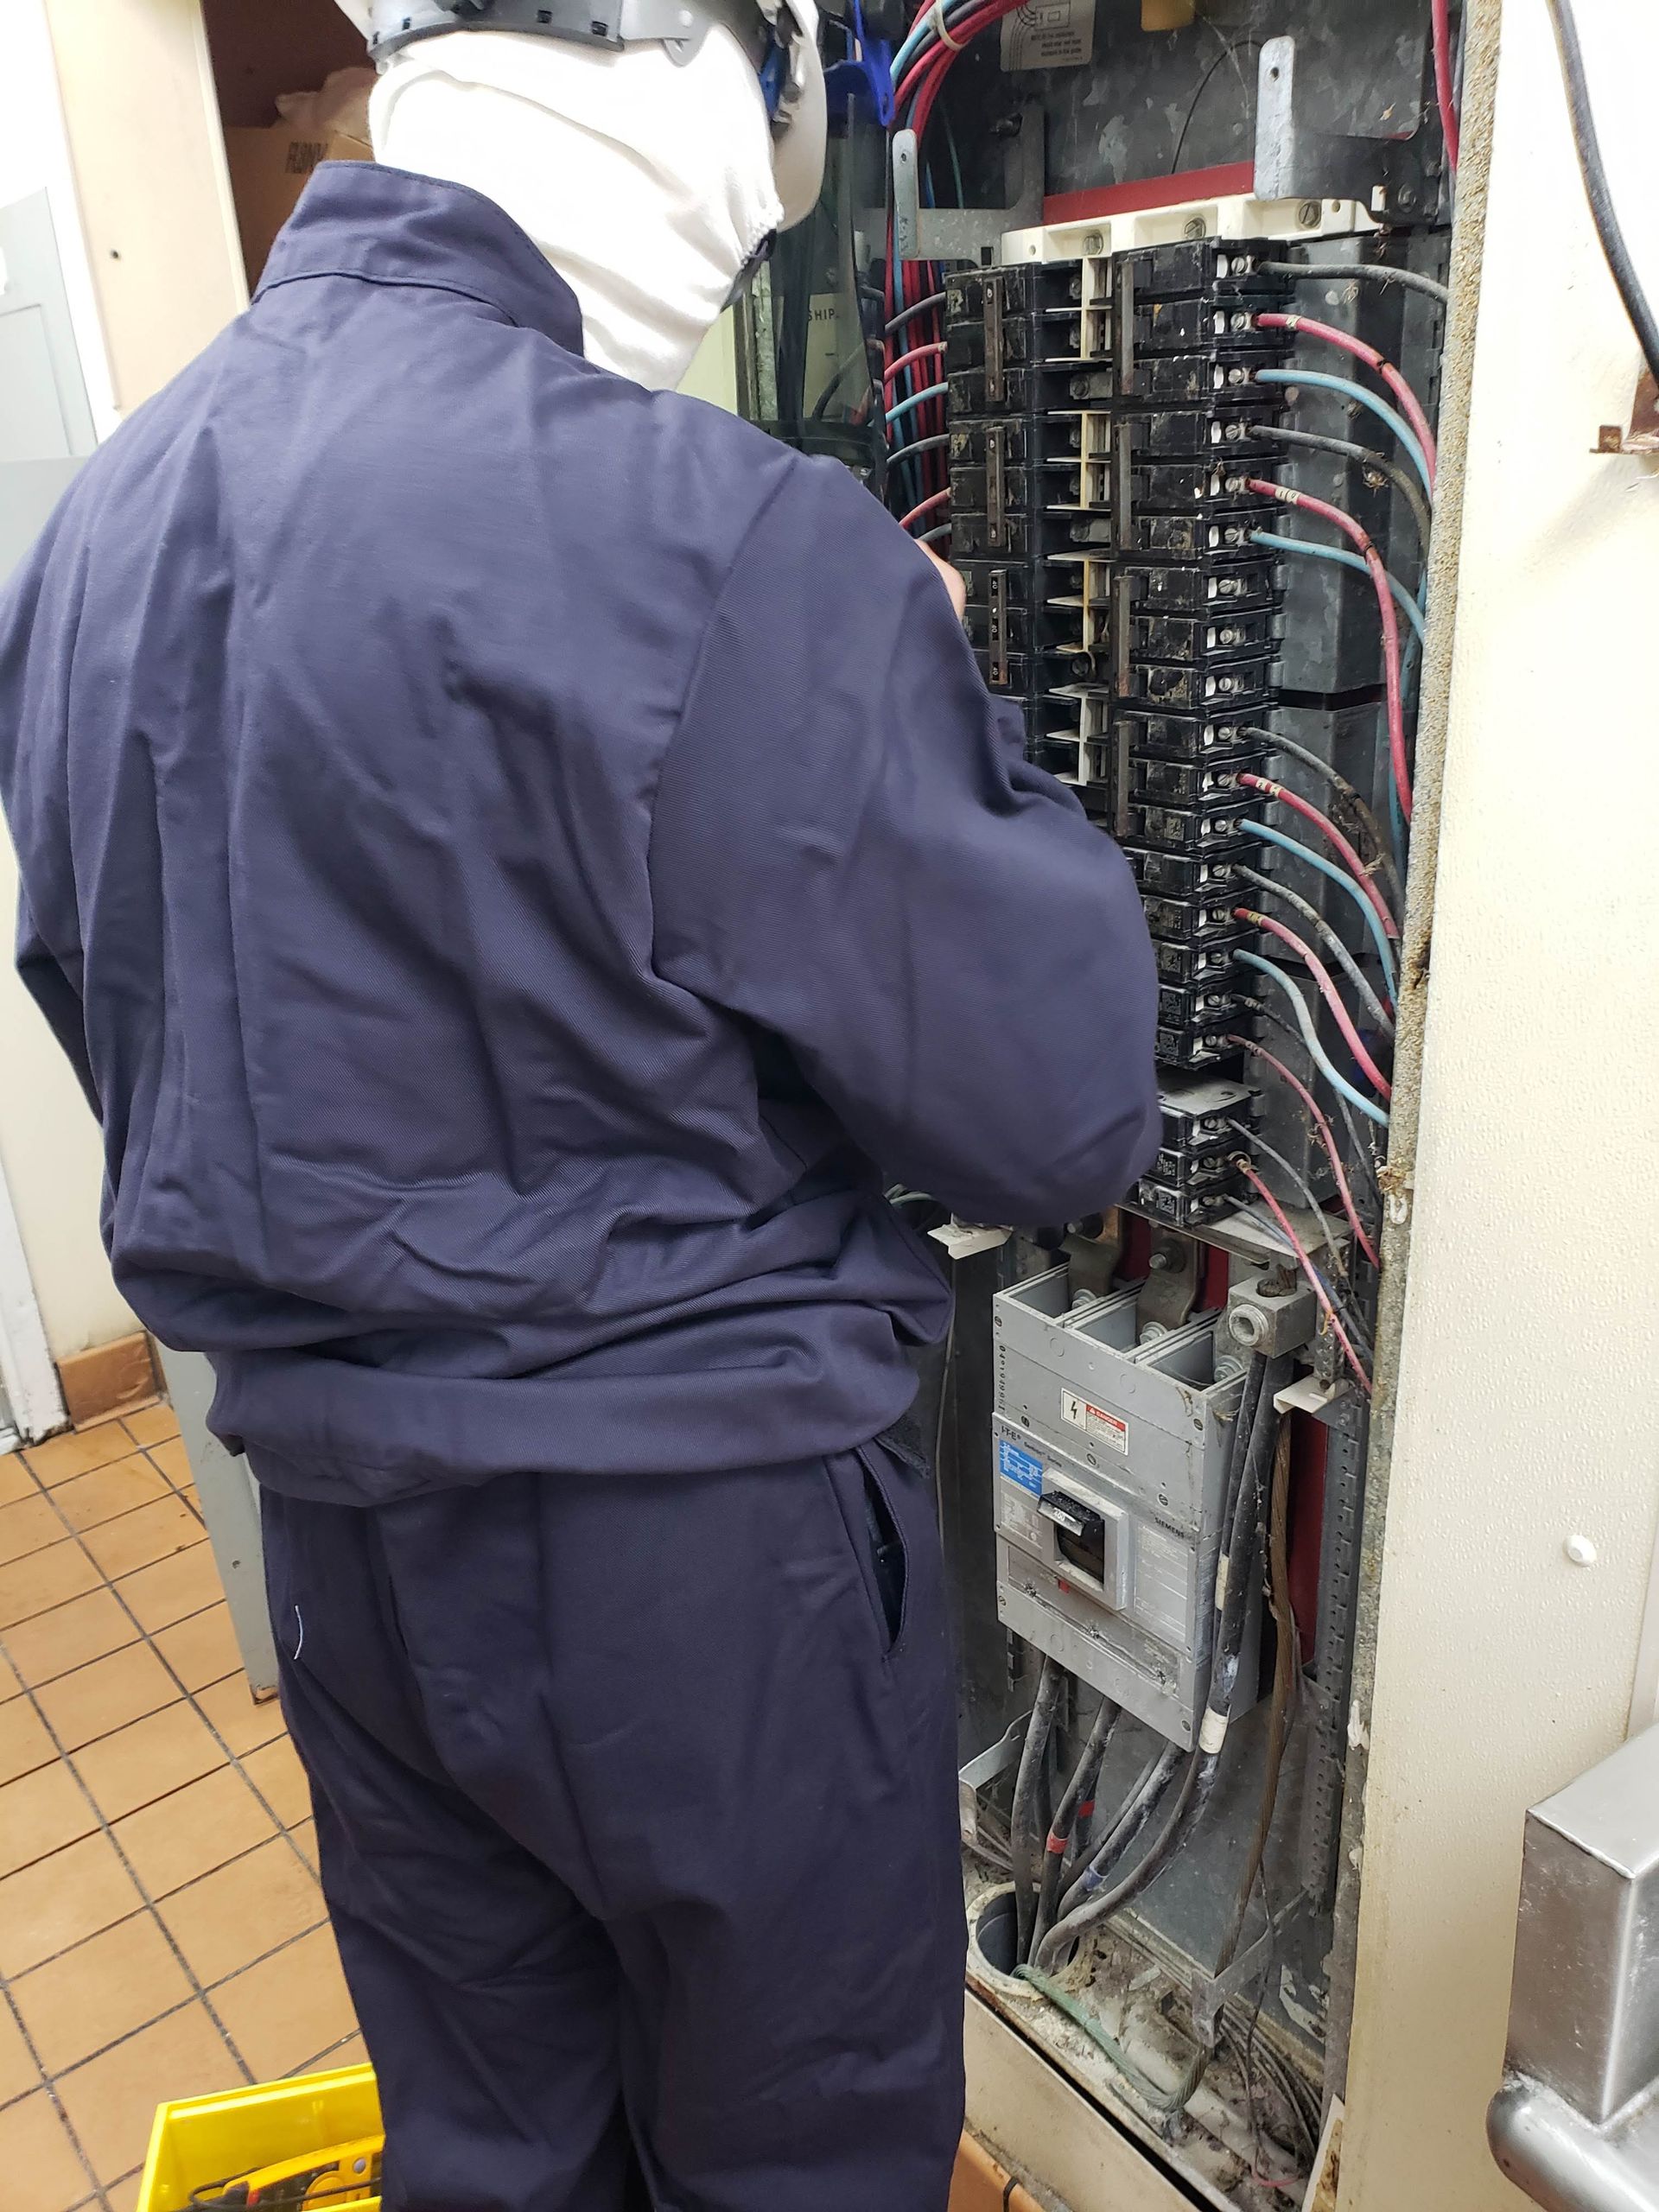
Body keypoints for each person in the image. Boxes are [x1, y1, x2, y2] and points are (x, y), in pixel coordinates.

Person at [0, 2, 1159, 2203]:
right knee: (794, 2159)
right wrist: (922, 686)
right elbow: (1060, 1106)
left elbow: (112, 1009)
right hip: (703, 1573)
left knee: (497, 2153)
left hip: (347, 1558)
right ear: (713, 87)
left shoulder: (90, 538)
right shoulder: (734, 545)